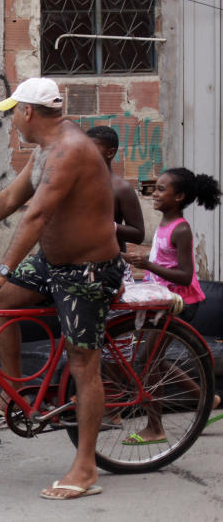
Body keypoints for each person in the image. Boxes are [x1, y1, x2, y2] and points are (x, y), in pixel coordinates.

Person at [0, 77, 124, 500]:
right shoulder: (44, 151)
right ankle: (15, 393)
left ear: (28, 112)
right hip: (52, 263)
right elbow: (9, 199)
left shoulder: (71, 150)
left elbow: (36, 216)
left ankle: (86, 467)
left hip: (88, 271)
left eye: (13, 113)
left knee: (83, 364)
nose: (12, 122)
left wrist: (3, 266)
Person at [122, 167, 222, 440]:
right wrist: (140, 264)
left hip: (179, 303)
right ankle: (207, 398)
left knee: (150, 363)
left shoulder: (182, 229)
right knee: (151, 360)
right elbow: (161, 265)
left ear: (179, 197)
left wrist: (148, 264)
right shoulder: (165, 224)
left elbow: (186, 275)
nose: (154, 194)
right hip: (162, 300)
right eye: (156, 188)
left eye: (161, 190)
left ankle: (156, 428)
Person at [86, 125, 145, 280]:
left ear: (110, 153)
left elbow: (138, 234)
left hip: (111, 268)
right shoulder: (78, 184)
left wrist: (106, 225)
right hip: (80, 267)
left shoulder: (121, 188)